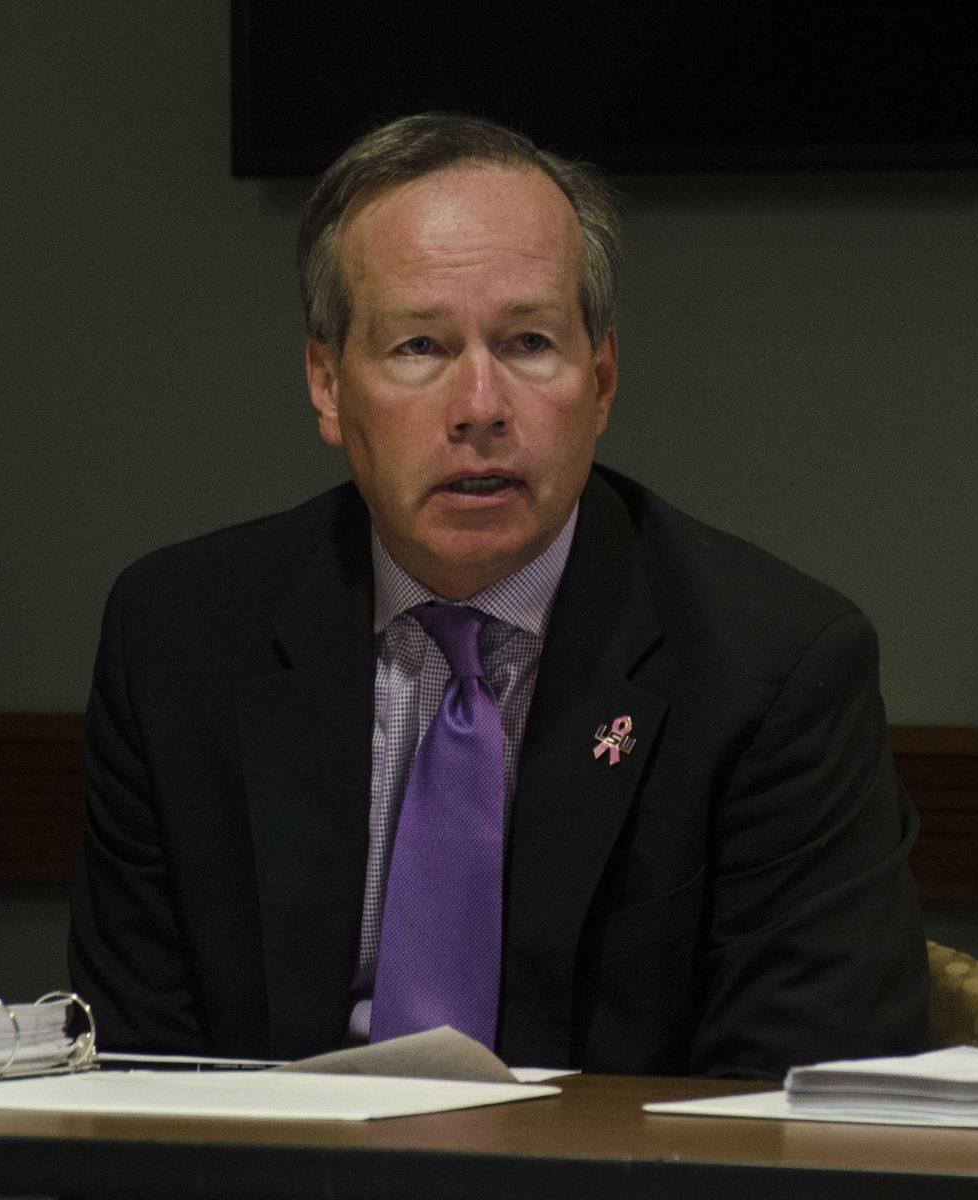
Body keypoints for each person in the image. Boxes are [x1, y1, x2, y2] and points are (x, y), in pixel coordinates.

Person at [68, 112, 928, 1079]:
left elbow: (797, 1095)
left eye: (528, 342)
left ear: (600, 380)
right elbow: (137, 1083)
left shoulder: (773, 668)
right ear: (326, 385)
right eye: (419, 347)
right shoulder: (181, 640)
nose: (480, 406)